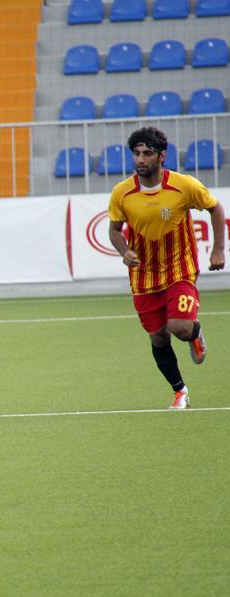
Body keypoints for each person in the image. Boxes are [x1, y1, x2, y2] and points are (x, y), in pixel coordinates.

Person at [108, 126, 225, 410]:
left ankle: (194, 333)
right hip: (143, 275)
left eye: (147, 153)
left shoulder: (184, 185)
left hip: (179, 269)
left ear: (162, 156)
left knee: (179, 327)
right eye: (136, 153)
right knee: (159, 337)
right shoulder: (122, 192)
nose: (140, 159)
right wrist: (124, 251)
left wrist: (219, 249)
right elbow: (114, 230)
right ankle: (180, 391)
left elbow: (215, 208)